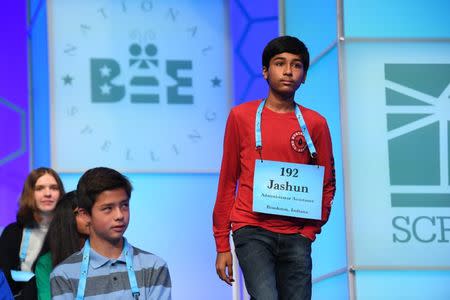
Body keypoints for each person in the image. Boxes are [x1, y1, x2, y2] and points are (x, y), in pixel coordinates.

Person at [213, 36, 336, 299]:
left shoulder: (316, 123)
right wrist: (222, 243)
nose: (289, 71)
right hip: (251, 229)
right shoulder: (241, 117)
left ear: (304, 76)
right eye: (280, 64)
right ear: (266, 71)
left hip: (296, 234)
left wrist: (309, 231)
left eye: (297, 65)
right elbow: (227, 180)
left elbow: (327, 181)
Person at [50, 167, 172, 299]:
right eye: (108, 208)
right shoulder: (64, 275)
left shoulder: (154, 267)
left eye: (124, 205)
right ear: (85, 214)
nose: (119, 215)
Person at [0, 167, 65, 298]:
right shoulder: (12, 232)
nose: (48, 193)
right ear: (30, 193)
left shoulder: (68, 232)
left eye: (53, 188)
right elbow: (4, 276)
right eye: (40, 188)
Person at [35, 191, 90, 300]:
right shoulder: (46, 263)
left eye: (89, 211)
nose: (89, 218)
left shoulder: (104, 253)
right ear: (67, 218)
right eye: (80, 212)